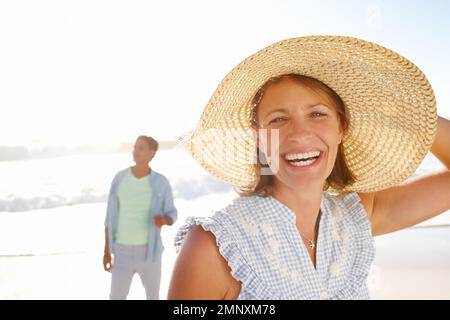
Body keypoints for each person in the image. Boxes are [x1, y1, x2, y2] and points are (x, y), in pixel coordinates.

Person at [168, 36, 450, 299]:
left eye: (317, 114)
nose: (300, 134)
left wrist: (406, 112)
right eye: (278, 119)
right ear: (259, 139)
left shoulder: (353, 220)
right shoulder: (214, 246)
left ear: (341, 128)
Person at [103, 135, 177, 300]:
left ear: (152, 153)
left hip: (150, 252)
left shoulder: (161, 182)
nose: (135, 151)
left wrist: (163, 220)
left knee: (153, 297)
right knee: (115, 297)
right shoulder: (120, 178)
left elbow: (172, 213)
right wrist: (107, 252)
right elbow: (109, 217)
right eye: (135, 147)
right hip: (121, 251)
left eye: (141, 148)